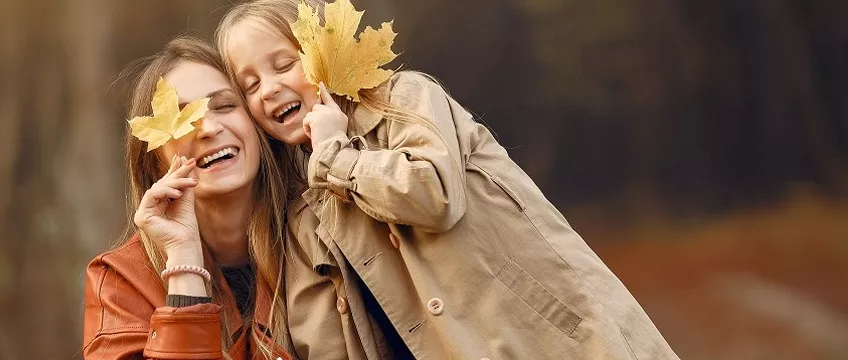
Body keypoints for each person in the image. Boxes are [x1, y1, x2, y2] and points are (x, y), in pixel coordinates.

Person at [217, 1, 681, 359]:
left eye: (282, 65)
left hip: (547, 342)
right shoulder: (306, 213)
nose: (270, 89)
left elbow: (434, 196)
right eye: (251, 85)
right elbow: (322, 337)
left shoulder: (403, 102)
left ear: (322, 52)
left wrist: (336, 159)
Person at [82, 36, 293, 360]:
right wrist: (184, 265)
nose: (208, 128)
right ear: (155, 162)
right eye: (183, 120)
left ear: (257, 125)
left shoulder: (318, 238)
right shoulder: (121, 282)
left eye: (224, 105)